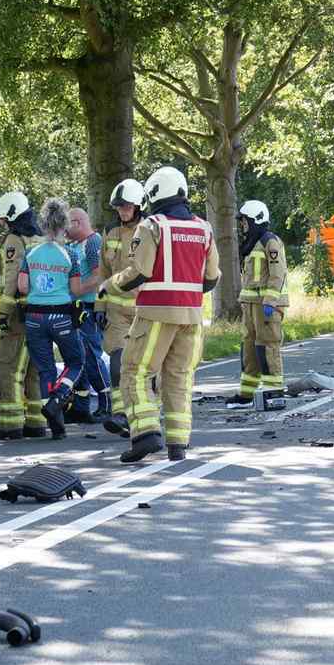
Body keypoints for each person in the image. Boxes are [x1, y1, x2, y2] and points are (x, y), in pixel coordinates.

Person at [81, 166, 220, 463]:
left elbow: (138, 272)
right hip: (192, 318)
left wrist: (108, 286)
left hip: (155, 314)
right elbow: (211, 279)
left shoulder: (153, 225)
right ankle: (178, 444)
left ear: (155, 194)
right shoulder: (203, 228)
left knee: (135, 372)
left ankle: (145, 435)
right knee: (179, 379)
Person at [15, 199, 86, 441]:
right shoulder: (71, 254)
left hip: (34, 317)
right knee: (76, 362)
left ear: (44, 225)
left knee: (45, 369)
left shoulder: (31, 253)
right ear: (64, 226)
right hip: (61, 316)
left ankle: (57, 426)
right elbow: (76, 289)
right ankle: (59, 397)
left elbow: (22, 287)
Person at [0, 192, 45, 442]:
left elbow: (11, 277)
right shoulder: (41, 237)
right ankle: (36, 421)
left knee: (9, 368)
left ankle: (10, 424)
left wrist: (4, 312)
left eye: (3, 219)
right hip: (44, 312)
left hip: (20, 314)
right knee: (35, 369)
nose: (2, 224)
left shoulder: (14, 239)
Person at [98, 179, 144, 438]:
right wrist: (99, 306)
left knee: (141, 365)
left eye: (126, 207)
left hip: (144, 308)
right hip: (116, 309)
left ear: (138, 206)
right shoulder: (111, 233)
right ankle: (120, 414)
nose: (122, 211)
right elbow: (103, 272)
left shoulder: (149, 230)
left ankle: (142, 414)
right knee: (118, 360)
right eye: (118, 208)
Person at [235, 200, 289, 405]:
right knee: (249, 349)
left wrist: (270, 300)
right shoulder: (252, 244)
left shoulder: (270, 241)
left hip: (267, 305)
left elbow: (277, 273)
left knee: (267, 346)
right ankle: (246, 394)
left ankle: (274, 392)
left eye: (245, 222)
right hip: (250, 304)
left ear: (255, 220)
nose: (243, 226)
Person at [65, 207, 112, 424]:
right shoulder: (74, 245)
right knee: (77, 356)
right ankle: (81, 405)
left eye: (67, 224)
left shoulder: (93, 242)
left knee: (92, 355)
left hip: (90, 306)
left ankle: (106, 402)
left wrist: (77, 290)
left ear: (78, 222)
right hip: (76, 306)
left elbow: (99, 275)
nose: (64, 229)